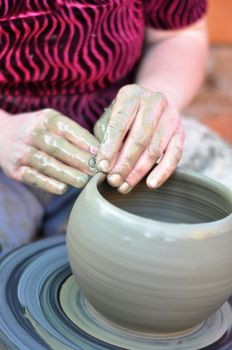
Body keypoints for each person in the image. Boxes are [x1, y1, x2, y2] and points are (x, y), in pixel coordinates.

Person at [0, 0, 208, 255]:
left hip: (118, 139)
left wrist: (153, 106)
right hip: (7, 134)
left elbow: (178, 35)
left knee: (210, 231)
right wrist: (5, 131)